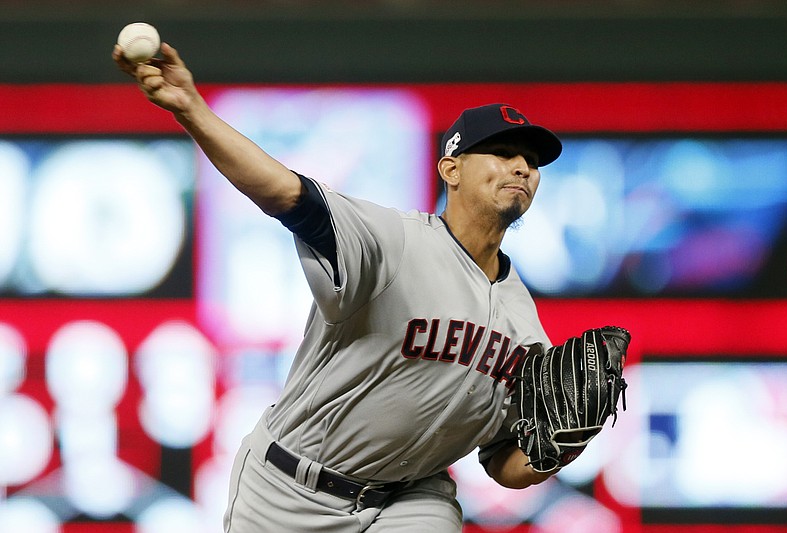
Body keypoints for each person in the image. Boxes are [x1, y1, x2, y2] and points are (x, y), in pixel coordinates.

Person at [114, 42, 564, 532]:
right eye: (501, 152)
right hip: (291, 487)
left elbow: (504, 464)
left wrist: (565, 442)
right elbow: (283, 190)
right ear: (450, 169)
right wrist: (191, 108)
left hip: (412, 497)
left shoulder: (524, 324)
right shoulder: (393, 242)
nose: (522, 167)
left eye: (532, 161)